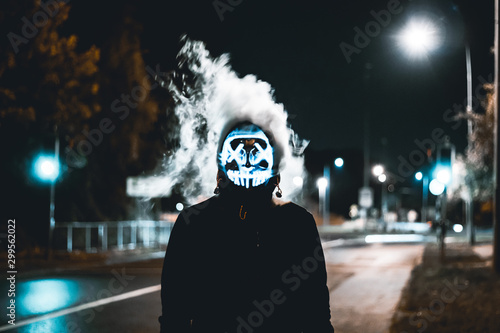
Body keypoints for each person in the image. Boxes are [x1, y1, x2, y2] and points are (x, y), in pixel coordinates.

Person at [159, 121, 334, 333]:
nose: (248, 161)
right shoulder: (297, 221)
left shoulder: (193, 221)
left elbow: (174, 311)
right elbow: (316, 308)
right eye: (240, 148)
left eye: (255, 149)